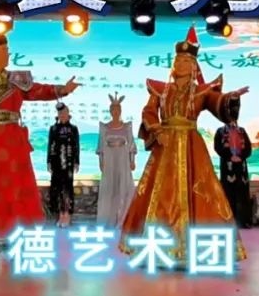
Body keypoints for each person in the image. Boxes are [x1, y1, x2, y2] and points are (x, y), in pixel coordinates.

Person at [119, 26, 249, 265]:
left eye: (187, 61)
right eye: (178, 61)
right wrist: (157, 130)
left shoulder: (201, 91)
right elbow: (148, 112)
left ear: (194, 67)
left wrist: (230, 98)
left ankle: (198, 248)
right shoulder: (161, 90)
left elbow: (217, 102)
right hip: (165, 144)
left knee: (201, 190)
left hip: (191, 144)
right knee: (159, 193)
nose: (181, 64)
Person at [0, 34, 80, 242]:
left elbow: (38, 90)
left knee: (17, 187)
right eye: (4, 50)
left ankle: (19, 232)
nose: (8, 54)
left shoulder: (16, 80)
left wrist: (62, 89)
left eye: (7, 50)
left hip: (13, 141)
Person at [96, 93, 136, 228]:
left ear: (121, 111)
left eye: (118, 109)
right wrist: (101, 161)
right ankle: (109, 218)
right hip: (110, 158)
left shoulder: (127, 127)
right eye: (113, 109)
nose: (115, 112)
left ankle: (122, 218)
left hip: (123, 158)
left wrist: (132, 160)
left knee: (123, 187)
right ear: (110, 111)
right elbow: (101, 146)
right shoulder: (104, 127)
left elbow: (131, 144)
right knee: (110, 189)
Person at [214, 98, 253, 228]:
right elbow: (218, 148)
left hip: (241, 165)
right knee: (228, 193)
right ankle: (229, 220)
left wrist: (240, 156)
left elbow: (248, 148)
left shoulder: (242, 131)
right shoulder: (220, 132)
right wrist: (230, 157)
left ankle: (244, 221)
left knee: (243, 193)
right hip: (228, 166)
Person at [47, 102, 80, 227]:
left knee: (67, 189)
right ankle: (60, 215)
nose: (62, 115)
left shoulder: (73, 129)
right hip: (56, 163)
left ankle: (67, 215)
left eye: (64, 112)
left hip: (69, 163)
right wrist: (49, 162)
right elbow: (50, 145)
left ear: (68, 114)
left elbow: (77, 146)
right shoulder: (53, 129)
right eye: (60, 113)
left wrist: (77, 162)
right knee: (57, 189)